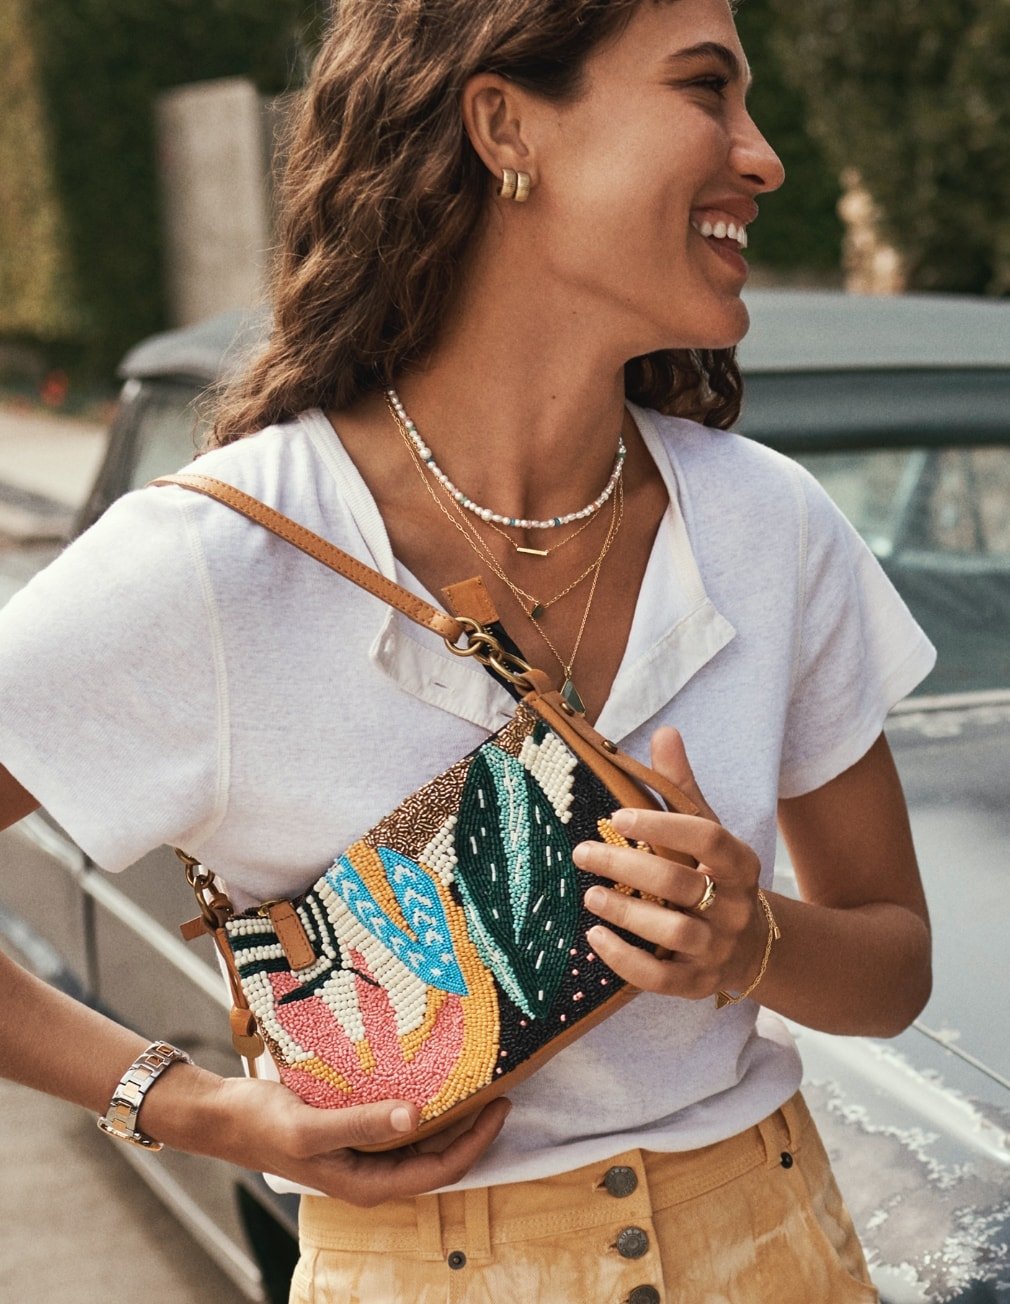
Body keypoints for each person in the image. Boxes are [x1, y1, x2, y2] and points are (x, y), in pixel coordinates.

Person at [0, 0, 935, 1299]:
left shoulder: (766, 524)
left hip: (779, 1245)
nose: (761, 153)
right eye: (705, 89)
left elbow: (891, 968)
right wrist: (190, 1106)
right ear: (504, 124)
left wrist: (749, 937)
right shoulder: (218, 563)